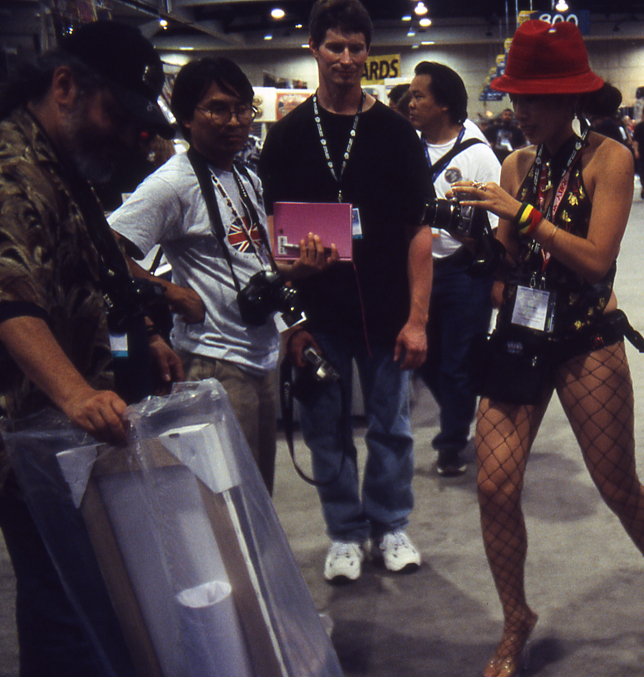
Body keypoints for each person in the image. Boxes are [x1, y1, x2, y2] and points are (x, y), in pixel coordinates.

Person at [450, 20, 644, 677]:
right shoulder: (516, 165)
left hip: (586, 335)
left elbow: (595, 260)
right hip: (522, 334)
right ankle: (516, 616)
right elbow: (504, 260)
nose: (521, 111)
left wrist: (523, 215)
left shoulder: (609, 158)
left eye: (535, 99)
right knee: (494, 484)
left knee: (617, 484)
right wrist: (471, 235)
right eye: (516, 98)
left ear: (570, 97)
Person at [0, 20, 183, 676]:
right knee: (62, 605)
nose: (128, 135)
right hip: (31, 435)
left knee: (92, 591)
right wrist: (76, 393)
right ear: (64, 86)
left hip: (69, 434)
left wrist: (146, 334)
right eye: (117, 114)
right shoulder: (12, 168)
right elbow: (9, 295)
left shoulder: (63, 166)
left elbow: (95, 265)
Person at [257, 0, 434, 582]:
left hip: (386, 311)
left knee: (392, 428)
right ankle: (345, 534)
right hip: (318, 314)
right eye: (335, 46)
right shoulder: (285, 137)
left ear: (369, 54)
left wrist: (418, 319)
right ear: (314, 49)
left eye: (357, 48)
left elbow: (419, 231)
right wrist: (291, 314)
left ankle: (390, 524)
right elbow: (271, 239)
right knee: (324, 431)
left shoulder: (398, 134)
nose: (346, 58)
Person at [109, 57, 333, 494]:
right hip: (213, 363)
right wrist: (169, 292)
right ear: (186, 117)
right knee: (226, 500)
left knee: (258, 495)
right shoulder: (172, 183)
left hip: (259, 358)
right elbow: (105, 251)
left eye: (242, 109)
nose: (234, 121)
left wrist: (295, 296)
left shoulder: (244, 177)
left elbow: (256, 264)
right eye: (217, 109)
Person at [407, 60, 501, 476]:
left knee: (457, 361)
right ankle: (460, 409)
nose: (410, 103)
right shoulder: (407, 149)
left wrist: (462, 226)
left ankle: (450, 443)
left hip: (465, 272)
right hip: (418, 269)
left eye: (418, 96)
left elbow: (497, 227)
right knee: (423, 357)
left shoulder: (479, 155)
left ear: (443, 104)